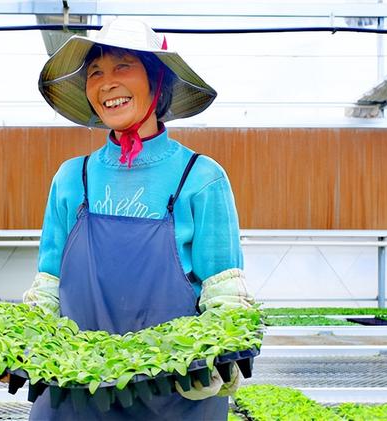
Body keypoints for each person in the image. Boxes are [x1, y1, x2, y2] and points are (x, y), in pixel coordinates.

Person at [24, 18, 254, 420]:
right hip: (76, 393)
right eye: (95, 72)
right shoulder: (71, 178)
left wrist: (224, 359)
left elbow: (226, 297)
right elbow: (48, 289)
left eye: (122, 67)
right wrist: (24, 347)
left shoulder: (200, 178)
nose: (106, 83)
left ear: (157, 82)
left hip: (174, 395)